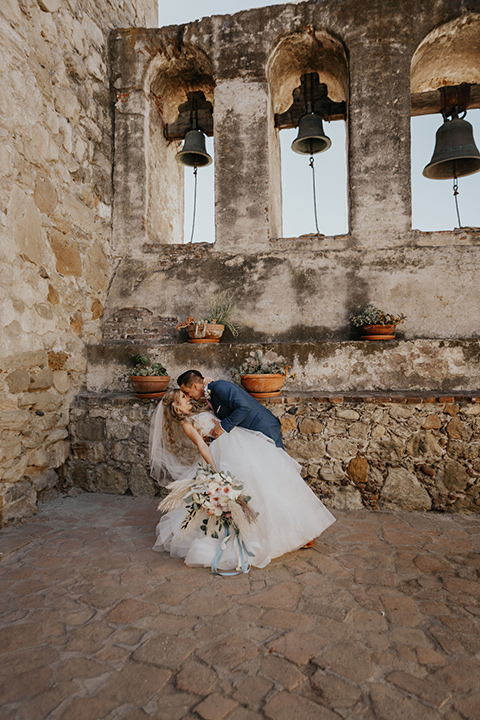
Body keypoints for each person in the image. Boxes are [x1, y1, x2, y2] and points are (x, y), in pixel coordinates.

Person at [150, 388, 335, 571]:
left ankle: (300, 531)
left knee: (268, 481)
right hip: (226, 451)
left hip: (240, 442)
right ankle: (273, 535)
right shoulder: (186, 423)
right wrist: (215, 470)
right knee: (252, 489)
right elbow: (202, 446)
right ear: (175, 405)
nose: (188, 398)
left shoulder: (197, 412)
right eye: (183, 397)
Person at [177, 369, 284, 448]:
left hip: (263, 427)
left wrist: (223, 426)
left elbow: (244, 408)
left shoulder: (219, 387)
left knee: (278, 465)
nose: (188, 396)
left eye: (187, 392)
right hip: (251, 434)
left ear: (195, 386)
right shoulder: (211, 394)